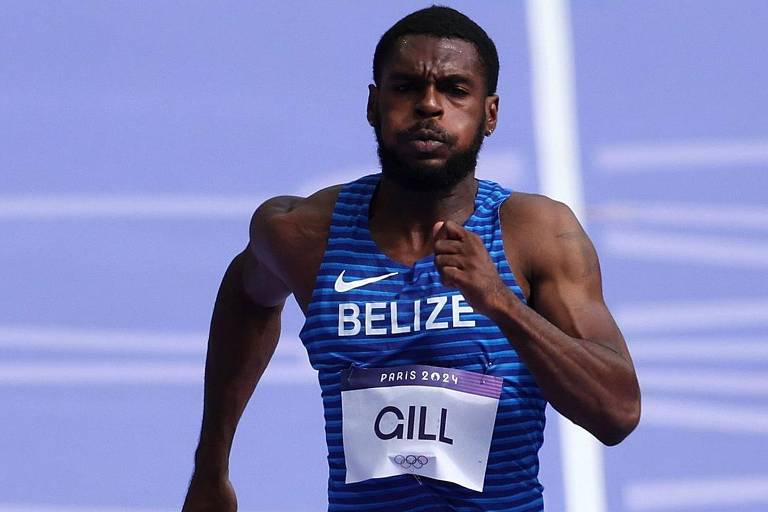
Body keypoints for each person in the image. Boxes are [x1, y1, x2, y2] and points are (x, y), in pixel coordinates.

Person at [182, 6, 641, 511]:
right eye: (406, 88)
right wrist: (211, 467)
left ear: (490, 114)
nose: (429, 105)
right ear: (373, 105)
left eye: (454, 89)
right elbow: (248, 296)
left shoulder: (535, 235)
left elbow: (616, 412)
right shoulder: (304, 234)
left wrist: (501, 303)